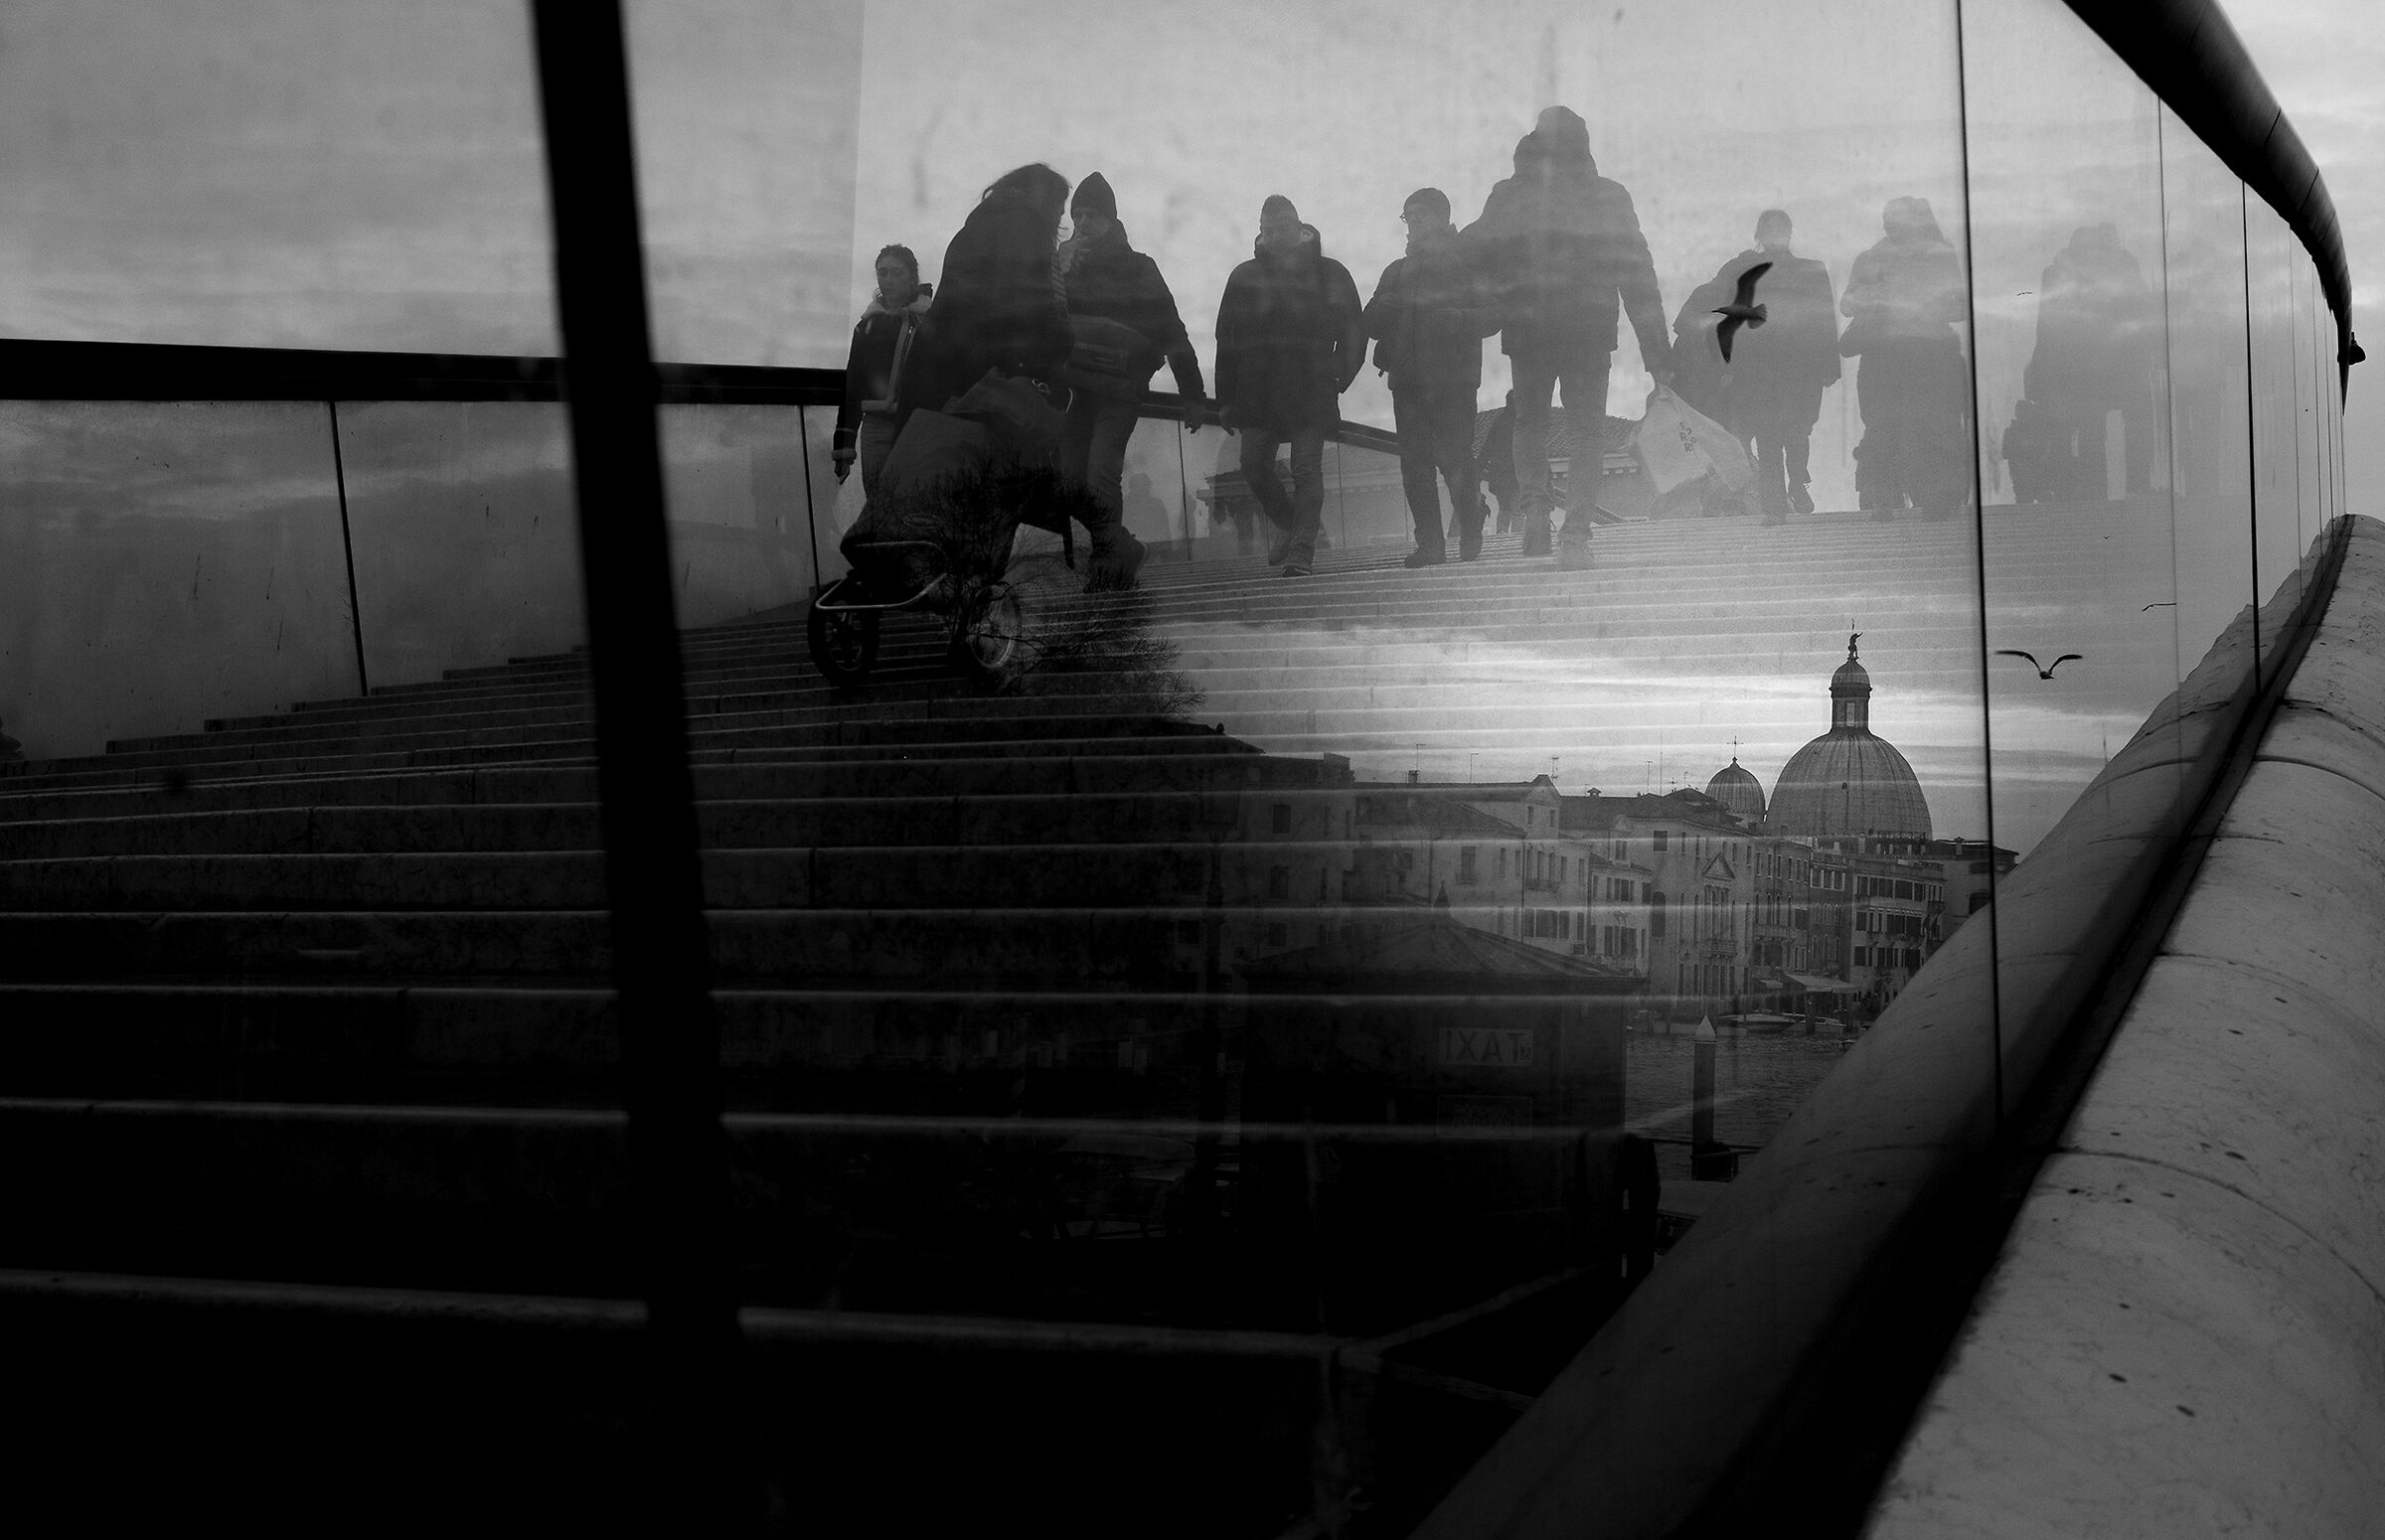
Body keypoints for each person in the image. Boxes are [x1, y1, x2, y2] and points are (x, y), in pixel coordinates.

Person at [1462, 105, 1671, 558]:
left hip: (1529, 326)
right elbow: (1639, 277)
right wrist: (1658, 358)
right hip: (1588, 328)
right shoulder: (1610, 196)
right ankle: (1576, 531)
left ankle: (1535, 511)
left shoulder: (1512, 194)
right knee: (1586, 433)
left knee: (1529, 422)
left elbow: (1474, 253)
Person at [1053, 172, 1207, 589]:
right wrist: (1059, 274)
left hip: (1119, 391)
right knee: (1068, 482)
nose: (1083, 222)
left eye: (1092, 215)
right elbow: (1041, 322)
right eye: (1077, 214)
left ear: (1111, 219)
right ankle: (1121, 544)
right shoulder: (1062, 265)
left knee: (1101, 468)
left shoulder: (1140, 267)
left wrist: (1193, 395)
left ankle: (1107, 563)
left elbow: (1171, 330)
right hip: (1074, 391)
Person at [1213, 195, 1365, 578]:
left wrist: (1339, 375)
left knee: (1305, 469)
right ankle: (1289, 525)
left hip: (1311, 388)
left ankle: (1302, 550)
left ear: (1299, 228)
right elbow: (1225, 342)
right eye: (1269, 229)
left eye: (1283, 228)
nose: (1276, 235)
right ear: (1260, 230)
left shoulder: (1329, 272)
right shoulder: (1243, 276)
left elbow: (1354, 330)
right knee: (1253, 466)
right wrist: (1225, 399)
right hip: (1257, 391)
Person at [1364, 187, 1501, 564]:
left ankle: (1471, 524)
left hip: (1453, 380)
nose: (1412, 223)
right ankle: (1430, 544)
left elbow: (1493, 315)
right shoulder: (1396, 270)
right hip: (1407, 380)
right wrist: (1380, 307)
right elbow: (1370, 324)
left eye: (1420, 214)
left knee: (1456, 459)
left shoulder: (1466, 265)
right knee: (1415, 466)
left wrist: (1459, 318)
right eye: (1408, 216)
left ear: (1443, 218)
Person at [1840, 196, 1969, 520]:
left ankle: (1885, 494)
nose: (1889, 223)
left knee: (1891, 426)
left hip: (1903, 354)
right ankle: (1920, 495)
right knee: (1919, 425)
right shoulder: (1875, 258)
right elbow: (1848, 304)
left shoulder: (1938, 256)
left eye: (1894, 217)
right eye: (1887, 217)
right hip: (1915, 353)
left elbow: (1959, 306)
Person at [1710, 211, 1841, 523]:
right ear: (1759, 235)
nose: (1774, 235)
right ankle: (1774, 505)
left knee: (1796, 431)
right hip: (1757, 367)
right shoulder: (1742, 269)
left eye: (1780, 229)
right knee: (1767, 435)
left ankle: (1797, 481)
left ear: (1789, 233)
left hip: (1800, 366)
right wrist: (1726, 364)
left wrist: (1830, 363)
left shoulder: (1811, 270)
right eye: (1768, 230)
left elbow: (1824, 317)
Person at [2023, 223, 2157, 502]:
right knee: (2134, 421)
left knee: (2091, 429)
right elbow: (2142, 314)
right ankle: (2137, 486)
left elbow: (2046, 324)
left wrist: (2043, 365)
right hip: (2120, 364)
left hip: (2083, 367)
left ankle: (2095, 492)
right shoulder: (2123, 267)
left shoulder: (2060, 271)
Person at [832, 243, 933, 505]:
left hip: (916, 425)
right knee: (878, 502)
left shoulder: (930, 324)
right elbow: (853, 383)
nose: (887, 280)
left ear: (912, 277)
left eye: (896, 273)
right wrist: (845, 443)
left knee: (912, 502)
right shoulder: (867, 326)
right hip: (875, 427)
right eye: (882, 272)